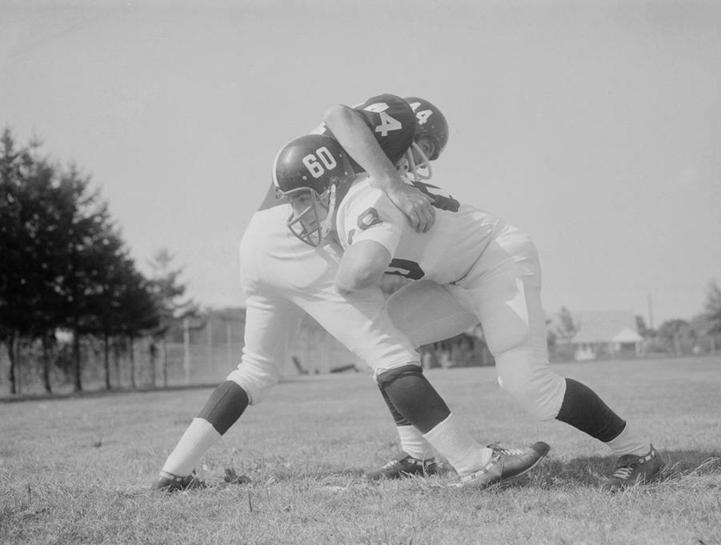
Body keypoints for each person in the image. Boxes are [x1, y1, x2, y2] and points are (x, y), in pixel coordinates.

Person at [152, 97, 549, 493]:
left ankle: (175, 470)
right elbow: (339, 114)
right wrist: (392, 185)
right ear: (402, 128)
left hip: (257, 246)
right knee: (393, 352)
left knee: (255, 369)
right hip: (303, 245)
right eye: (422, 148)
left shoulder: (343, 145)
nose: (418, 161)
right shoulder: (366, 128)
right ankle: (475, 462)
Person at [273, 116, 664, 492]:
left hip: (496, 263)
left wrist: (336, 286)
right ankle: (417, 456)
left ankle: (638, 451)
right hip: (453, 278)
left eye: (301, 199)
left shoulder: (362, 200)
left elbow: (361, 271)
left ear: (327, 186)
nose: (297, 212)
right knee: (383, 344)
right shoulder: (351, 203)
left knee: (527, 385)